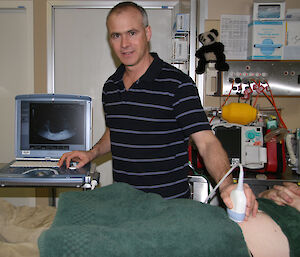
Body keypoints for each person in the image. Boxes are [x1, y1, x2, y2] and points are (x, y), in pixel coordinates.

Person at [58, 1, 257, 218]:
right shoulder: (111, 86)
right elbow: (116, 130)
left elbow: (207, 143)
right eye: (116, 35)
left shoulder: (178, 84)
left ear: (147, 33)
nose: (125, 43)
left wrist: (227, 185)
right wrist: (92, 153)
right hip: (124, 207)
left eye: (132, 33)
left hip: (168, 210)